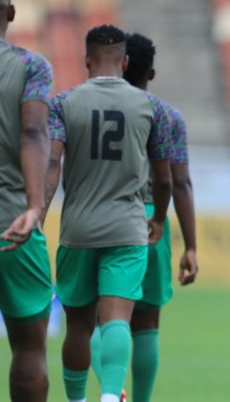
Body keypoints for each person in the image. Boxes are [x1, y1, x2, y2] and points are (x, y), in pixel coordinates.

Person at [43, 25, 173, 402]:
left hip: (78, 229)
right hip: (127, 228)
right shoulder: (151, 109)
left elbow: (51, 165)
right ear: (126, 61)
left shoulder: (62, 103)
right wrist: (159, 218)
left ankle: (77, 399)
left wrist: (37, 210)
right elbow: (163, 180)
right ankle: (110, 396)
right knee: (118, 317)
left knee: (79, 327)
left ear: (86, 60)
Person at [87, 33, 199, 402]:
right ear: (150, 71)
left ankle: (110, 390)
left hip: (101, 214)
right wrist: (192, 246)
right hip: (153, 220)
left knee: (103, 318)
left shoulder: (94, 107)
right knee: (146, 322)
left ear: (121, 64)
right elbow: (179, 183)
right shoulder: (167, 115)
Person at [0, 0, 53, 402]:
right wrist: (34, 206)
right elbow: (34, 133)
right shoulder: (31, 65)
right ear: (11, 13)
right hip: (13, 223)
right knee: (29, 349)